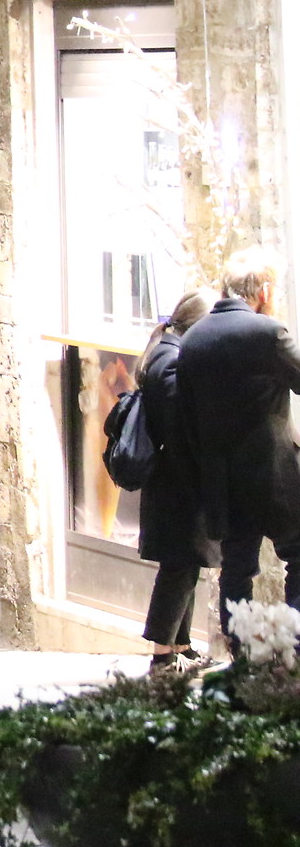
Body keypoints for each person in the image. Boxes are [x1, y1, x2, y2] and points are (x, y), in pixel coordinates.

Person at [178, 248, 300, 639]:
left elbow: (186, 418)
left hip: (223, 480)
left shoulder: (193, 340)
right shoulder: (269, 334)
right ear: (263, 291)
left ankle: (241, 655)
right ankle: (295, 648)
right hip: (274, 476)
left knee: (236, 569)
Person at [135, 290, 218, 670]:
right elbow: (179, 423)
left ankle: (181, 646)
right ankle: (161, 656)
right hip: (177, 484)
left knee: (187, 564)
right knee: (178, 568)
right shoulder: (171, 360)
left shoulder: (167, 352)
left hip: (177, 482)